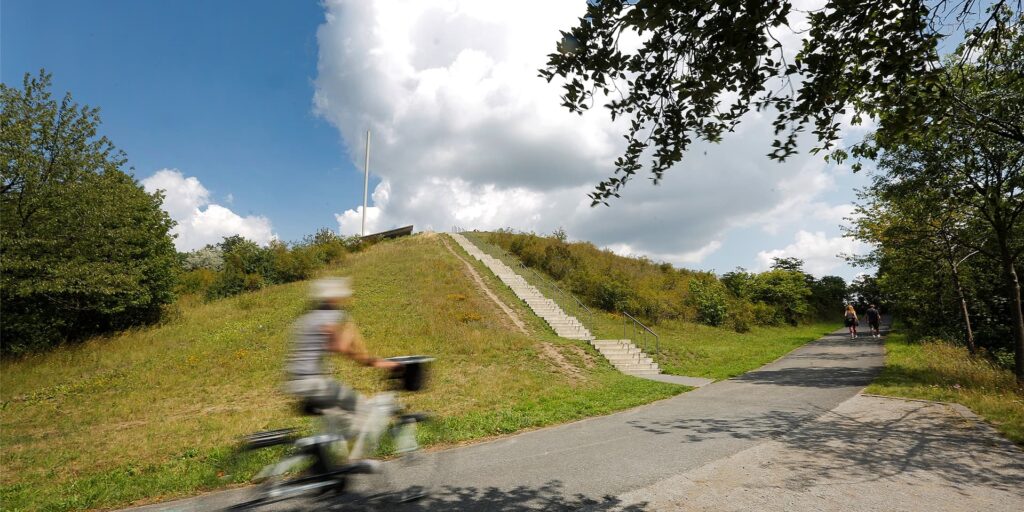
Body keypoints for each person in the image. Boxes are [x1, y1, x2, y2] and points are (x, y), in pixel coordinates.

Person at [284, 277, 399, 450]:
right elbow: (341, 347)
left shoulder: (307, 317)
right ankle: (351, 461)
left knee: (336, 419)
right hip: (314, 383)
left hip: (294, 381)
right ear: (333, 297)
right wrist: (378, 362)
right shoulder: (331, 315)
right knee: (362, 409)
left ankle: (327, 461)